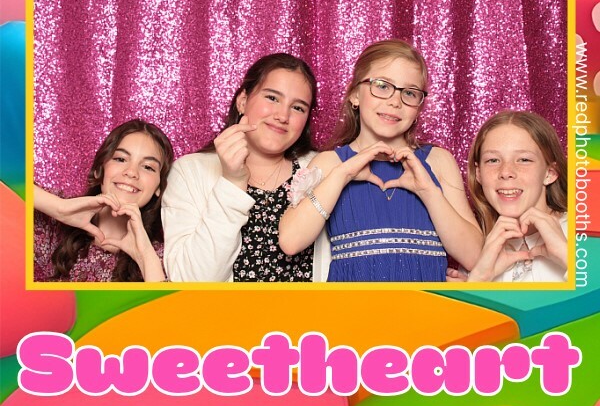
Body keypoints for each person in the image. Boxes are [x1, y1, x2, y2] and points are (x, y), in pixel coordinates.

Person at [278, 41, 482, 283]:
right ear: (355, 94)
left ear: (419, 107)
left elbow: (474, 258)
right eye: (382, 86)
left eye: (409, 93)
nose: (395, 101)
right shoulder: (331, 163)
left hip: (426, 304)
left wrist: (428, 192)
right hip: (354, 304)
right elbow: (290, 242)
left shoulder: (438, 161)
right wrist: (344, 174)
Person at [162, 53, 329, 283]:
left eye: (298, 108)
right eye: (272, 98)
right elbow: (192, 282)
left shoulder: (322, 169)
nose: (283, 116)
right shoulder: (189, 172)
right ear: (242, 100)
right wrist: (232, 182)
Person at [34, 120, 173, 283]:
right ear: (100, 169)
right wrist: (60, 209)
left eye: (148, 167)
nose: (131, 172)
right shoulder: (53, 219)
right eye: (120, 159)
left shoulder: (165, 257)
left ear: (159, 187)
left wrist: (145, 257)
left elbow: (167, 301)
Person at [463, 112, 567, 284]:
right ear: (479, 174)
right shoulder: (477, 254)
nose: (506, 172)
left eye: (524, 159)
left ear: (550, 173)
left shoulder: (587, 235)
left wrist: (567, 255)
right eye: (493, 160)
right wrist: (478, 278)